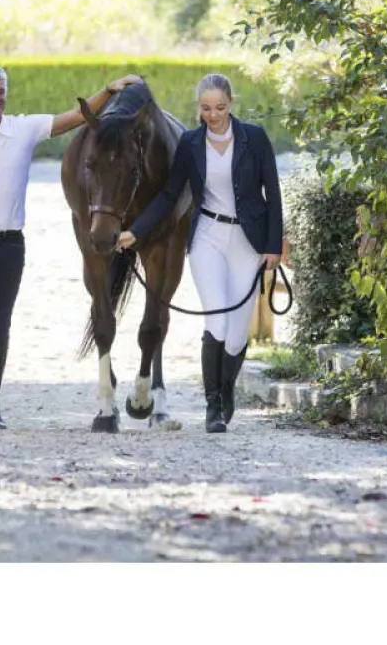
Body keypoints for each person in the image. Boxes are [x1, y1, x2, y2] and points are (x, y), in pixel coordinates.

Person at [0, 64, 143, 431]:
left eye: (0, 91)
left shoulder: (23, 129)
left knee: (0, 323)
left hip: (9, 245)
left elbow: (76, 117)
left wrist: (109, 90)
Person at [117, 73, 283, 433]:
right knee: (217, 320)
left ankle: (226, 390)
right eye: (206, 108)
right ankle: (213, 408)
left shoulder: (254, 138)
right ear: (199, 107)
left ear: (231, 104)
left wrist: (274, 246)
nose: (213, 115)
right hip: (208, 236)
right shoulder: (191, 143)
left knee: (237, 333)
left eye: (220, 107)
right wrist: (136, 231)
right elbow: (169, 195)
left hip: (247, 240)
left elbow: (273, 192)